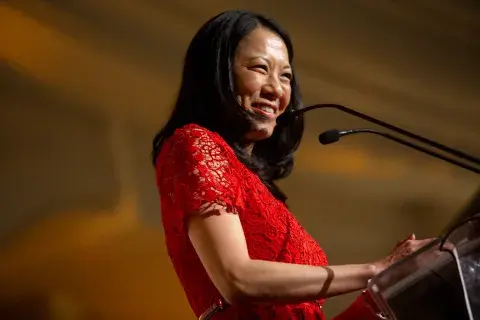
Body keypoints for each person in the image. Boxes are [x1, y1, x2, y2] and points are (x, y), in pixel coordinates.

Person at [152, 10, 433, 320]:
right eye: (260, 68)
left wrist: (396, 281)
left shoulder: (258, 188)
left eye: (285, 75)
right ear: (216, 73)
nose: (276, 89)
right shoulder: (194, 141)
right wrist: (377, 270)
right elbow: (237, 279)